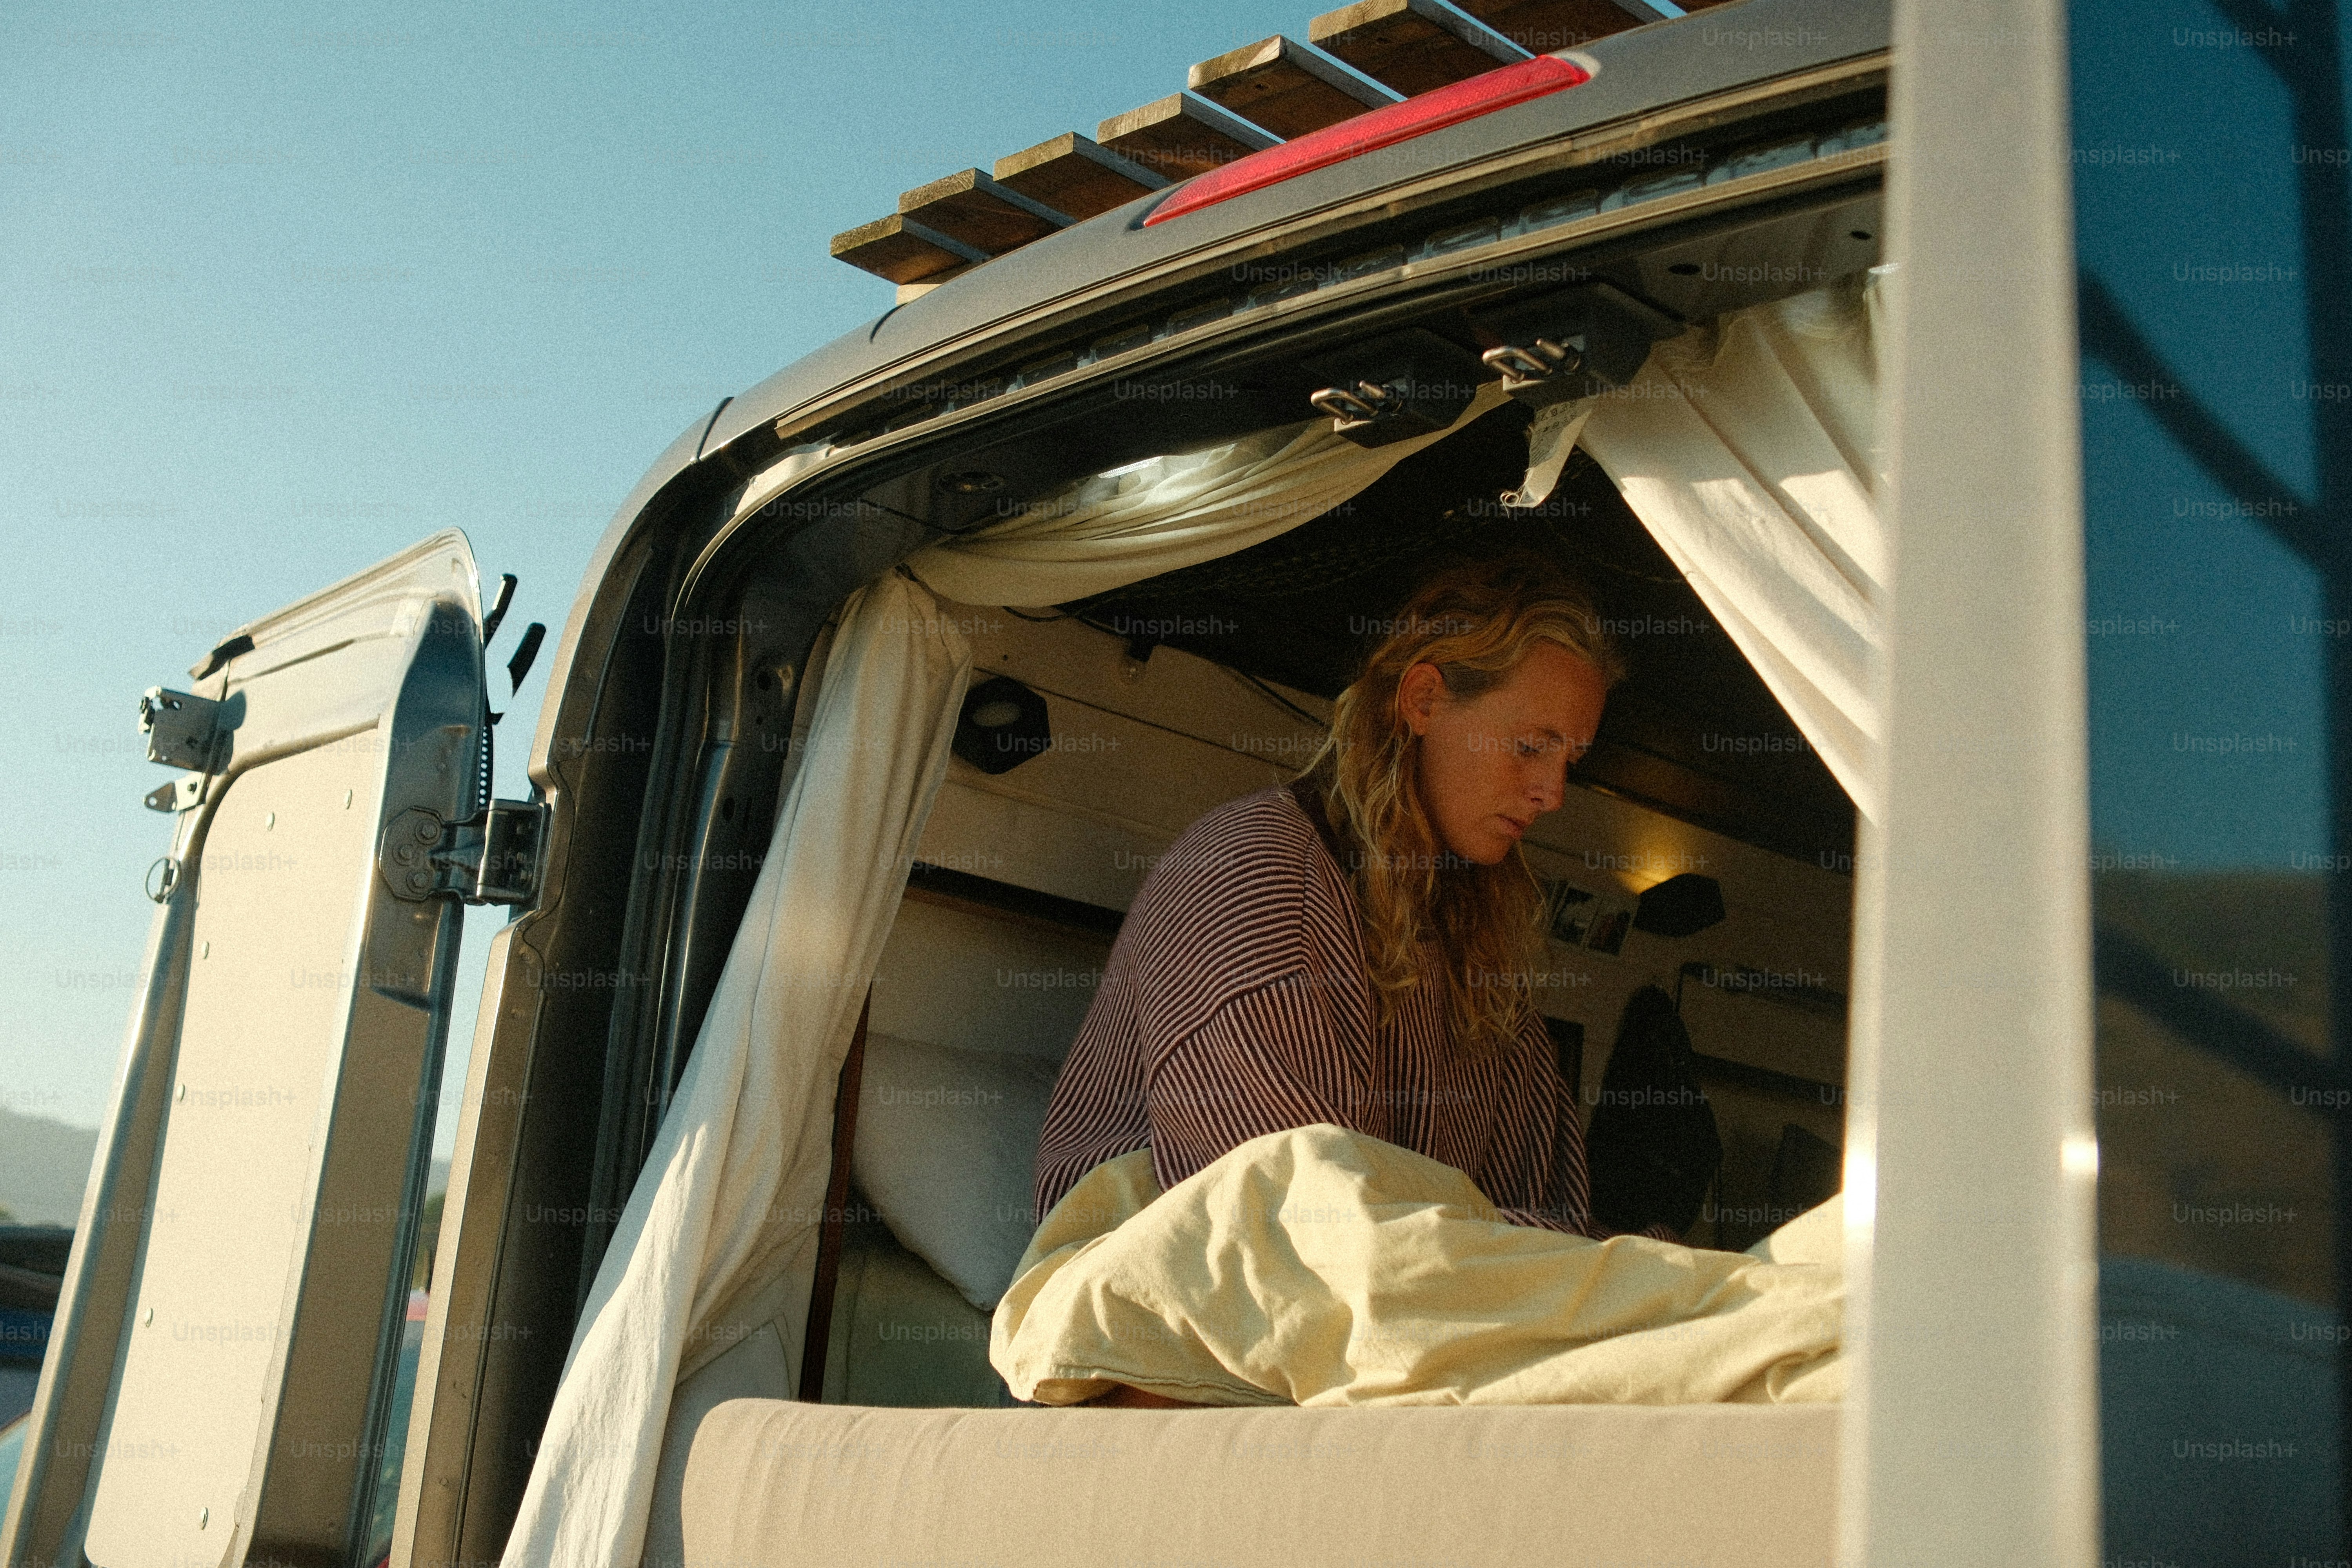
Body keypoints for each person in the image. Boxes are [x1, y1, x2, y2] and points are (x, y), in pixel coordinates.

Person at [1033, 555, 1666, 1273]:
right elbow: (1299, 1244)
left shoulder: (1481, 950)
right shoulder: (1255, 877)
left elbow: (1548, 1215)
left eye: (1570, 762)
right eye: (1528, 747)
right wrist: (1580, 1258)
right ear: (1423, 699)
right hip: (1175, 1366)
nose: (1552, 793)